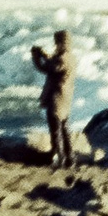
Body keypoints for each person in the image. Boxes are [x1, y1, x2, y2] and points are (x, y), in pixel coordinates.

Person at [29, 28, 77, 166]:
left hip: (57, 98)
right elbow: (53, 62)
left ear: (62, 43)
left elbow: (47, 68)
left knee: (56, 130)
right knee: (64, 128)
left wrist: (36, 58)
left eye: (57, 43)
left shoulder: (62, 58)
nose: (56, 45)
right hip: (65, 98)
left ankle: (60, 158)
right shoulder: (70, 56)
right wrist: (45, 55)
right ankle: (71, 158)